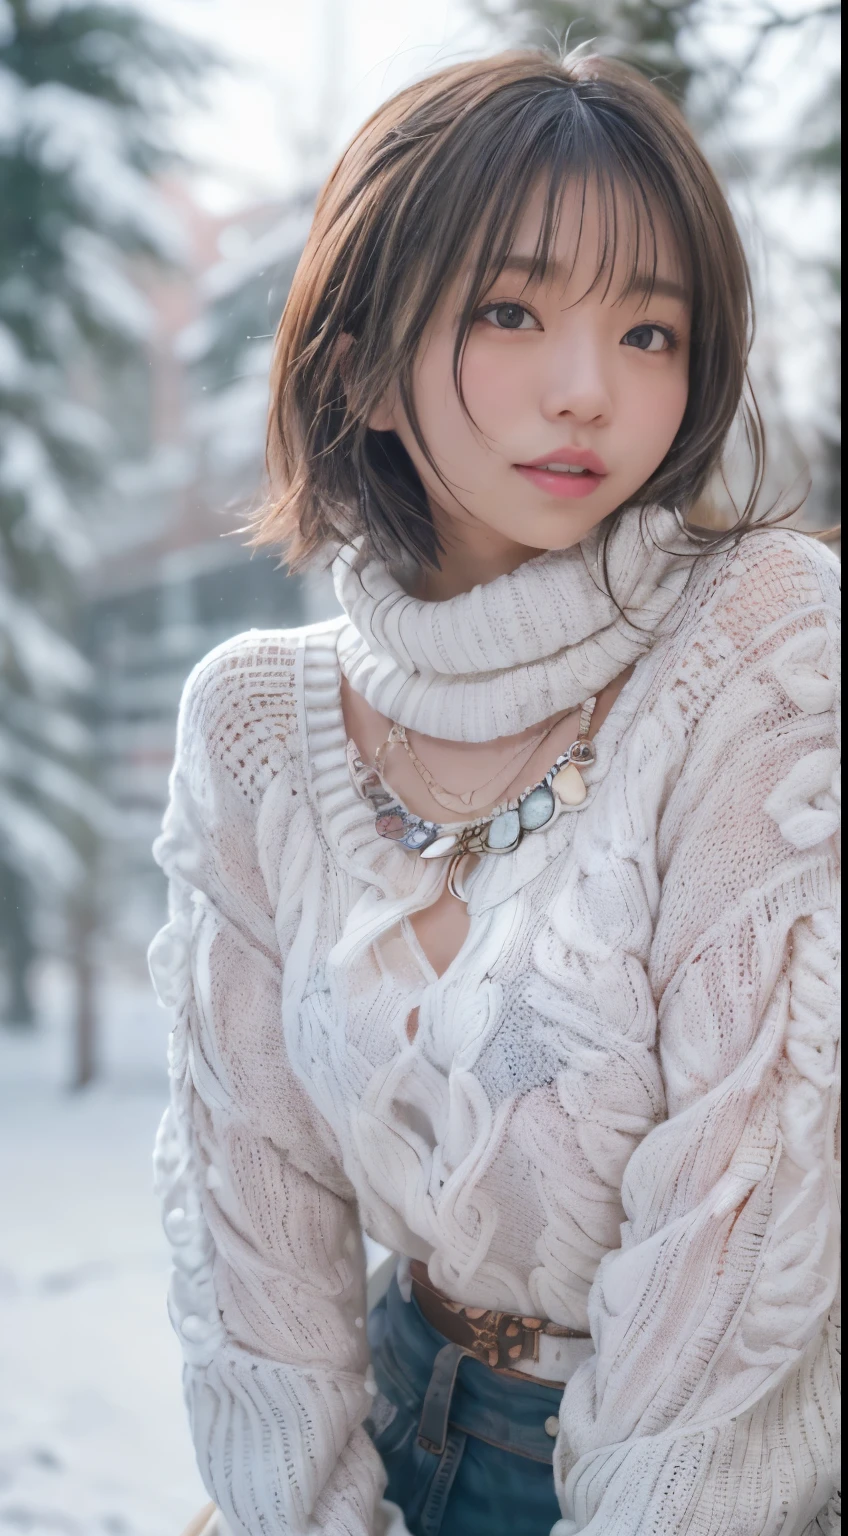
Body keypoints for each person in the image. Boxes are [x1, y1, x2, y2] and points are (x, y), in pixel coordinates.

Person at [149, 48, 840, 1536]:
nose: (590, 388)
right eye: (511, 310)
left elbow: (748, 1195)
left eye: (651, 329)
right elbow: (249, 1202)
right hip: (389, 1429)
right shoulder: (258, 720)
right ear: (358, 365)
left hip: (704, 1472)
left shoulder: (760, 642)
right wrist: (305, 1510)